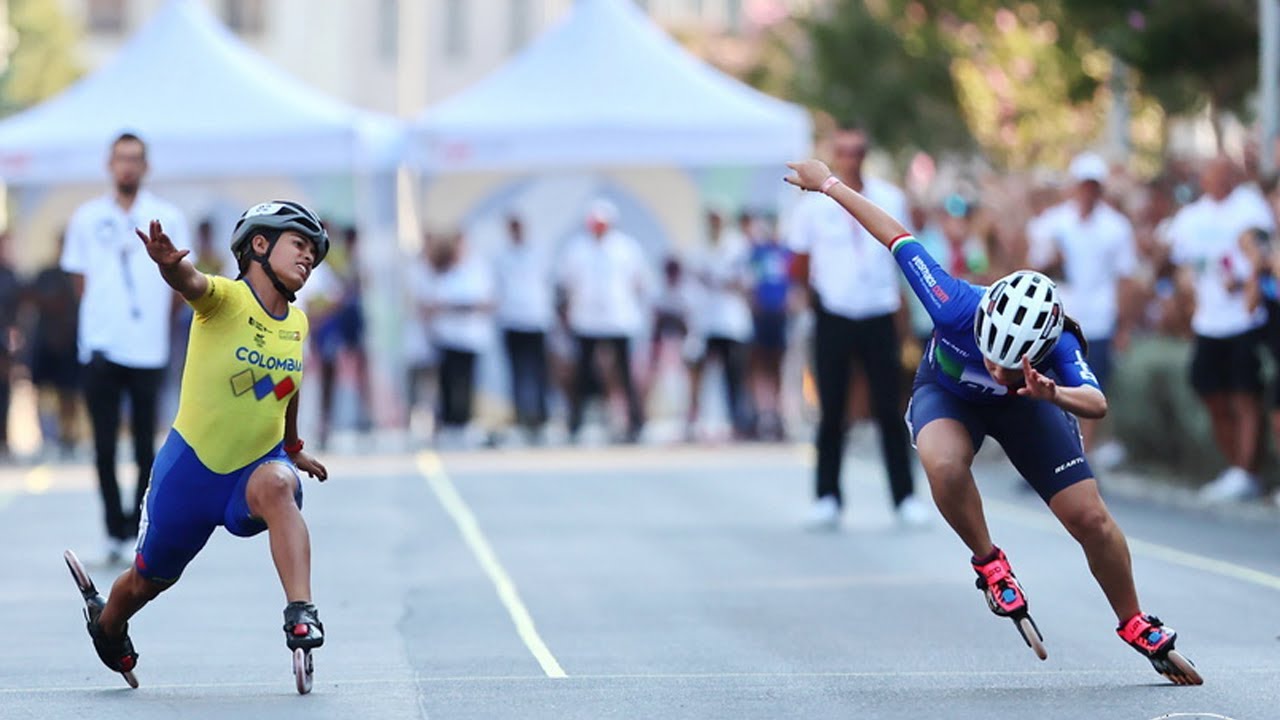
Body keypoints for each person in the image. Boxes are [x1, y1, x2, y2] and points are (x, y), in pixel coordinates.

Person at [784, 158, 1202, 685]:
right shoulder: (952, 302)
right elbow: (894, 234)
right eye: (991, 354)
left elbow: (1097, 405)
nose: (998, 369)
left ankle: (1135, 621)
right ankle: (990, 563)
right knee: (943, 463)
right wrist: (828, 184)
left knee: (1091, 520)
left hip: (1030, 407)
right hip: (948, 395)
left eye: (1011, 363)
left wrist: (1054, 393)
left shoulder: (1062, 346)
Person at [77, 200, 331, 681]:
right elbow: (191, 283)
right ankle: (106, 623)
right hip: (190, 473)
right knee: (146, 583)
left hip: (254, 470)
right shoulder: (224, 300)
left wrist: (294, 449)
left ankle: (301, 611)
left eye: (314, 255)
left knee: (281, 487)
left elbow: (287, 388)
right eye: (299, 245)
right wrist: (172, 267)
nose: (308, 259)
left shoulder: (298, 324)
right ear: (260, 244)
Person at [786, 127, 927, 530]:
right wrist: (807, 301)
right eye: (843, 151)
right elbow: (799, 262)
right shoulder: (811, 208)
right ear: (834, 154)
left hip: (878, 311)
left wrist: (904, 321)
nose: (851, 158)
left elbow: (901, 256)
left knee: (889, 408)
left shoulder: (889, 197)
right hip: (834, 311)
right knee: (832, 409)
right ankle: (827, 495)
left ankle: (904, 497)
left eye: (858, 151)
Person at [61, 132, 191, 564]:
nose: (128, 167)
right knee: (101, 444)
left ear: (145, 166)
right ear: (110, 164)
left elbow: (180, 282)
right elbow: (80, 281)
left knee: (142, 445)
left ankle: (138, 524)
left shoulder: (166, 214)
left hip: (147, 347)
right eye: (121, 159)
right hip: (100, 345)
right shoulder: (86, 217)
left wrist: (153, 321)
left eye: (135, 159)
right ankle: (112, 528)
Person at [1168, 156, 1274, 502]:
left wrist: (1246, 281)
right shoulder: (1191, 217)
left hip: (1245, 319)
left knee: (1245, 395)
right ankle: (1235, 467)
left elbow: (1259, 251)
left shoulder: (1249, 207)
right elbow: (1182, 264)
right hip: (1208, 321)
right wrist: (1187, 291)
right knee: (1211, 392)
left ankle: (1248, 471)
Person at [1029, 153, 1137, 467]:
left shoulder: (1116, 227)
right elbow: (1034, 269)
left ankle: (1079, 457)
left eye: (1094, 186)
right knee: (1053, 387)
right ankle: (1052, 455)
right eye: (1084, 185)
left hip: (1098, 321)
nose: (1088, 192)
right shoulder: (1054, 224)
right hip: (1058, 320)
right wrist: (1053, 259)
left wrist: (1123, 325)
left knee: (1088, 389)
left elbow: (1125, 279)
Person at [558, 199, 652, 444]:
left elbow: (639, 282)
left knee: (624, 373)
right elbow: (566, 285)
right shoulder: (577, 248)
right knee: (583, 374)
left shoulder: (626, 248)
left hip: (619, 319)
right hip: (586, 320)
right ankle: (576, 424)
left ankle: (636, 423)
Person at [494, 216, 554, 442]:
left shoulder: (539, 254)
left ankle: (541, 417)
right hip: (511, 320)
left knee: (540, 373)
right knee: (517, 373)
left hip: (536, 319)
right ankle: (521, 418)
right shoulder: (501, 257)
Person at [27, 233, 82, 459]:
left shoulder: (77, 277)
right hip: (46, 341)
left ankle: (68, 435)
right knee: (41, 391)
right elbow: (34, 299)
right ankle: (46, 435)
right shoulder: (46, 274)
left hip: (69, 341)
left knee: (68, 393)